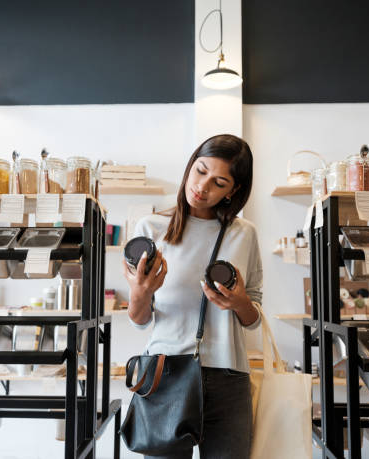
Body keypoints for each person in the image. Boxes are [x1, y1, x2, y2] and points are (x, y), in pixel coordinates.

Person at [123, 134, 262, 459]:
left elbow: (253, 319)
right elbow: (140, 320)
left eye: (219, 182)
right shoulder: (151, 229)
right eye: (200, 171)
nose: (202, 187)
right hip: (164, 372)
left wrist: (239, 302)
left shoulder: (244, 234)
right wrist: (140, 293)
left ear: (233, 190)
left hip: (228, 378)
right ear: (190, 166)